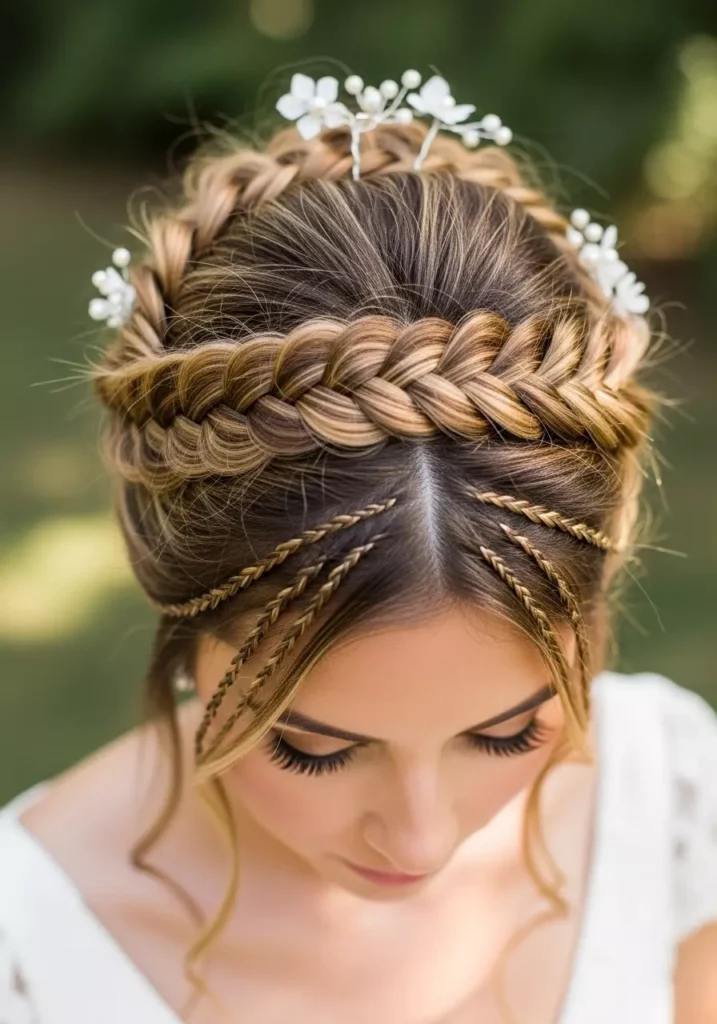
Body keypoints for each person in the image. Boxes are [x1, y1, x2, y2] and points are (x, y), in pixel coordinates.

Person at [1, 65, 716, 1024]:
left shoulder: (671, 805)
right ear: (180, 599)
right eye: (312, 749)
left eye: (508, 733)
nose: (421, 838)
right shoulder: (32, 958)